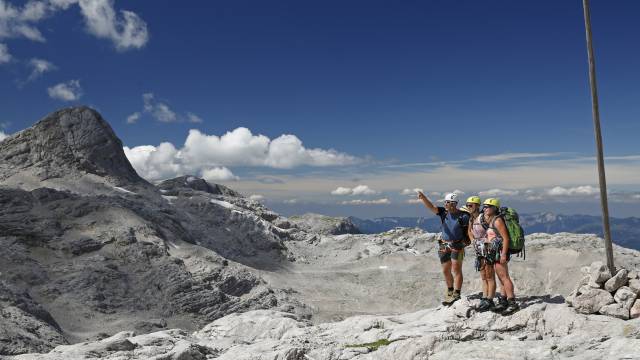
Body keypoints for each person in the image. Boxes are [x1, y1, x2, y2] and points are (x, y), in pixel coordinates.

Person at [417, 191, 470, 305]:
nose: (446, 204)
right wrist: (424, 198)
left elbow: (469, 230)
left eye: (449, 203)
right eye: (445, 202)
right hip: (444, 244)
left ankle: (457, 293)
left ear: (455, 204)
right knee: (446, 270)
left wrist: (468, 242)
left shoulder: (464, 216)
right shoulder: (444, 213)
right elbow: (432, 207)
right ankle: (450, 290)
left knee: (456, 270)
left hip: (457, 245)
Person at [481, 198, 519, 314]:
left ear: (494, 208)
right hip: (495, 252)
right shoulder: (493, 220)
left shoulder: (497, 221)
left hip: (500, 252)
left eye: (487, 206)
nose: (485, 208)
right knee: (501, 277)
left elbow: (506, 238)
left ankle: (512, 302)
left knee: (504, 277)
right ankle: (504, 301)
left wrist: (503, 255)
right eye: (484, 206)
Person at [466, 195, 497, 311]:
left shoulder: (484, 217)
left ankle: (490, 299)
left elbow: (492, 230)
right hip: (479, 248)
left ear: (477, 206)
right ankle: (485, 298)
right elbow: (469, 231)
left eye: (471, 205)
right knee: (483, 275)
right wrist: (473, 241)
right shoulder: (471, 218)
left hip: (488, 248)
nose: (468, 207)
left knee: (489, 275)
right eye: (467, 205)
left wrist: (488, 245)